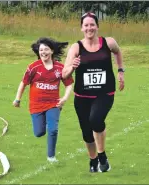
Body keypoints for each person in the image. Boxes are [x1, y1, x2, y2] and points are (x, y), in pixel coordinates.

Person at [62, 12, 125, 172]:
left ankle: (102, 155)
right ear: (82, 28)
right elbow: (64, 74)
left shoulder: (108, 42)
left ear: (97, 26)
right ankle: (93, 160)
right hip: (82, 96)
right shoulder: (76, 47)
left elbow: (118, 52)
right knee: (86, 132)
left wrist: (120, 71)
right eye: (86, 25)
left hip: (104, 93)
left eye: (92, 24)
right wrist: (72, 67)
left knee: (96, 120)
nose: (89, 28)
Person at [13, 37, 74, 162]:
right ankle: (45, 122)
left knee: (53, 129)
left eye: (46, 49)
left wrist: (64, 98)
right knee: (39, 133)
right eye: (41, 50)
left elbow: (69, 84)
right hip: (36, 105)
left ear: (52, 51)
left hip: (54, 104)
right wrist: (17, 99)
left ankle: (51, 157)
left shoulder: (60, 68)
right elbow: (23, 83)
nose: (43, 52)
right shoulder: (33, 67)